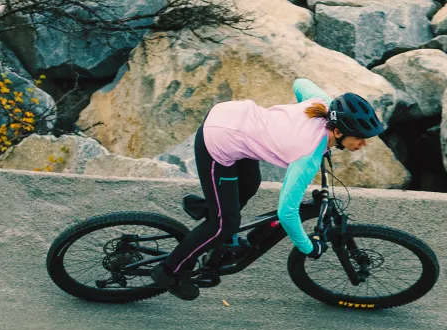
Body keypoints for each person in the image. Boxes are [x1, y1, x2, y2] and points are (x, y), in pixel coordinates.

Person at [150, 79, 385, 300]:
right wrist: (308, 247)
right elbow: (287, 213)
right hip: (217, 139)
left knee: (250, 183)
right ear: (338, 132)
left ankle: (214, 209)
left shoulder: (323, 104)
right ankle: (169, 271)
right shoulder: (307, 155)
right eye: (360, 138)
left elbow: (300, 83)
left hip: (233, 119)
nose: (364, 143)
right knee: (225, 224)